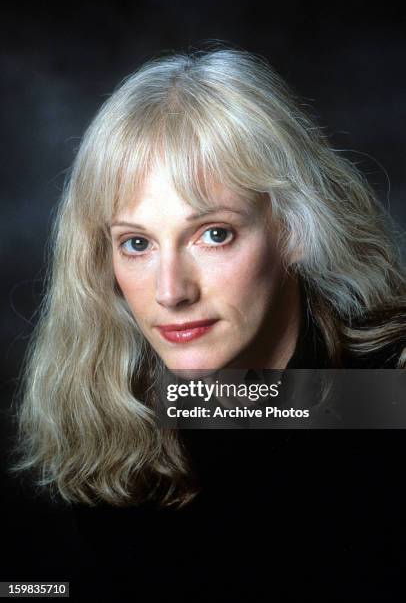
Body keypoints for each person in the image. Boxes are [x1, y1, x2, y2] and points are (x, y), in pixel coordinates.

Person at [10, 47, 406, 599]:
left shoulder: (388, 398)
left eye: (214, 234)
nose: (171, 292)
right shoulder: (119, 417)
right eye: (137, 243)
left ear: (293, 231)